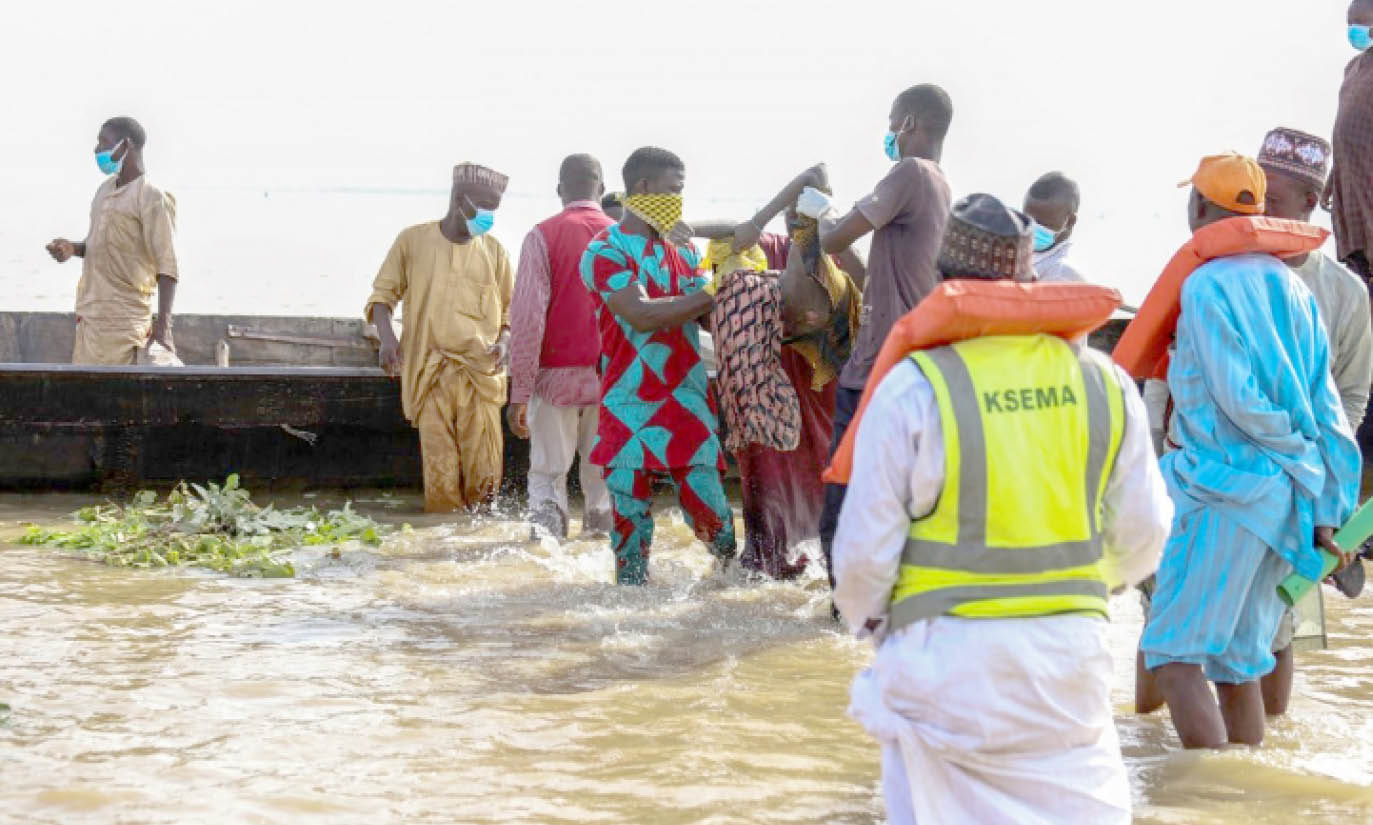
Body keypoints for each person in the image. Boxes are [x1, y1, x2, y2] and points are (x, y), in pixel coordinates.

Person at [834, 193, 1172, 824]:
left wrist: (872, 625)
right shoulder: (1105, 382)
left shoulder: (915, 386)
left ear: (941, 280)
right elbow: (1146, 533)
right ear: (1030, 280)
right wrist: (1085, 591)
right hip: (1069, 658)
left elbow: (861, 557)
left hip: (945, 660)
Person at [1139, 154, 1361, 748]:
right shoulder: (1293, 286)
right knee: (1240, 665)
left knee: (1173, 657)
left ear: (1203, 208)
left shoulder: (1207, 283)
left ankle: (1207, 799)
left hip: (1225, 491)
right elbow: (1331, 407)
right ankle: (1248, 797)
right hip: (1288, 500)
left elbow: (1237, 397)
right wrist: (1324, 498)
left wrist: (1286, 457)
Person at [794, 83, 954, 594]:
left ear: (910, 123)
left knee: (842, 509)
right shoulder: (939, 184)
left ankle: (846, 620)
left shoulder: (909, 172)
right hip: (908, 367)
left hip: (878, 374)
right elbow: (870, 272)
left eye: (892, 122)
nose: (888, 132)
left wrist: (816, 216)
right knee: (895, 503)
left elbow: (837, 237)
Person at [691, 169, 864, 579]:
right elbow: (734, 234)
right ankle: (766, 566)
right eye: (792, 209)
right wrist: (690, 227)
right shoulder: (769, 246)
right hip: (767, 383)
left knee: (825, 473)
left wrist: (831, 230)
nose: (795, 217)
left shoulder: (836, 252)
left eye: (805, 210)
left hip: (822, 383)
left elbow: (865, 286)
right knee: (767, 473)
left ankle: (824, 563)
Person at [579, 147, 736, 585]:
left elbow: (706, 315)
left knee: (711, 512)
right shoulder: (604, 249)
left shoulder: (684, 253)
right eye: (674, 190)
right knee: (629, 527)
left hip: (685, 398)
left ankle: (729, 588)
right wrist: (714, 289)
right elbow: (641, 314)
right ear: (643, 188)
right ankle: (629, 617)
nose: (679, 200)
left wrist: (733, 276)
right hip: (627, 401)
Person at [1259, 126, 1373, 714]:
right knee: (1172, 637)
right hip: (1227, 480)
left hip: (1305, 486)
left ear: (1312, 203)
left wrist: (1328, 494)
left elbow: (1351, 399)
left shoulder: (1345, 295)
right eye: (1254, 200)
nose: (1262, 215)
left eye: (1274, 203)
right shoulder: (1225, 272)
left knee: (1284, 634)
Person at [365, 163, 515, 513]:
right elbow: (381, 300)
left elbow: (512, 312)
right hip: (429, 375)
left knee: (486, 484)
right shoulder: (412, 241)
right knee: (441, 480)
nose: (490, 216)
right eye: (485, 207)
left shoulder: (495, 252)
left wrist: (505, 342)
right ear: (460, 200)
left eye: (495, 209)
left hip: (481, 376)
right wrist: (388, 341)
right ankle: (440, 544)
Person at [508, 154, 615, 540]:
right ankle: (600, 555)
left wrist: (519, 393)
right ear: (601, 190)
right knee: (602, 479)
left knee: (548, 475)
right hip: (612, 381)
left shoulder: (542, 235)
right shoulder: (620, 237)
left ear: (559, 191)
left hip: (555, 379)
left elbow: (527, 320)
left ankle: (545, 558)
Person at [46, 117, 179, 365]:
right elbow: (99, 245)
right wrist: (71, 249)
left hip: (125, 328)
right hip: (90, 322)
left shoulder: (151, 197)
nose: (97, 150)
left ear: (125, 144)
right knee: (86, 396)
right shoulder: (103, 191)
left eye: (103, 142)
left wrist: (163, 327)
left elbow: (167, 266)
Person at [1330, 0, 1373, 284]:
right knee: (1359, 266)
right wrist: (1332, 178)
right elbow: (1343, 132)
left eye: (1361, 21)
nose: (1354, 29)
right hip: (1349, 184)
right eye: (1350, 22)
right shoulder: (1354, 69)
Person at [1023, 171, 1088, 283]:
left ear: (1070, 222)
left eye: (1043, 223)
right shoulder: (1013, 252)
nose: (1033, 228)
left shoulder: (1063, 275)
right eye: (1027, 219)